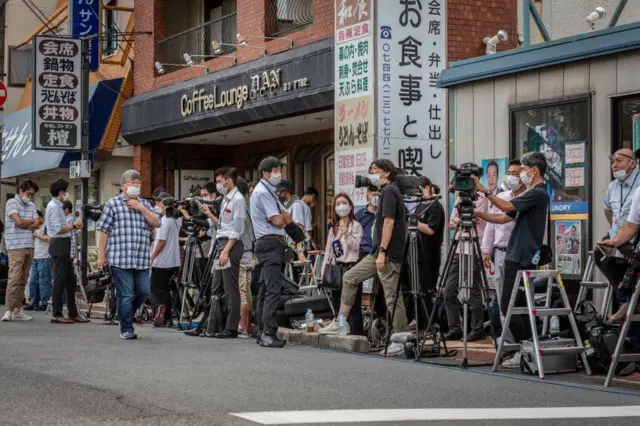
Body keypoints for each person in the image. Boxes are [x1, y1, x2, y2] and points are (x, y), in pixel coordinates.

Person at [320, 159, 408, 356]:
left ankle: (401, 338)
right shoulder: (387, 192)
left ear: (386, 172)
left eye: (375, 170)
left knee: (392, 295)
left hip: (387, 254)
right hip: (377, 252)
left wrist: (383, 251)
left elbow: (389, 223)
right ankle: (340, 321)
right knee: (350, 278)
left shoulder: (391, 191)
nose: (371, 174)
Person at [473, 152, 550, 368]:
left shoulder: (538, 193)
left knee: (508, 304)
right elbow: (502, 217)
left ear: (534, 170)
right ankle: (527, 349)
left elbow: (506, 207)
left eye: (524, 169)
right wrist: (477, 214)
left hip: (521, 255)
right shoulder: (533, 195)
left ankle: (525, 348)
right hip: (516, 253)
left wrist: (485, 190)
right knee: (517, 304)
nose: (521, 174)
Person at [96, 170, 161, 339]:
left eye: (138, 184)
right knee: (126, 293)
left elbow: (157, 222)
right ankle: (126, 328)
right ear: (123, 185)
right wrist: (101, 256)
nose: (136, 186)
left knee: (144, 290)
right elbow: (103, 231)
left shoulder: (145, 203)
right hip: (119, 257)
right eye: (132, 183)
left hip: (140, 258)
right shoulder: (113, 204)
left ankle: (123, 314)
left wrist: (141, 208)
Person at [477, 159, 526, 344]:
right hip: (499, 252)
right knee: (501, 296)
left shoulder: (528, 197)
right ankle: (506, 340)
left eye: (516, 173)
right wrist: (486, 250)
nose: (512, 177)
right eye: (510, 173)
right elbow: (490, 225)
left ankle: (518, 340)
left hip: (518, 255)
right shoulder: (503, 196)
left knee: (513, 299)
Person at [250, 156, 292, 348]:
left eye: (278, 170)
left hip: (270, 243)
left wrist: (280, 219)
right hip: (269, 243)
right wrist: (279, 219)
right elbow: (278, 221)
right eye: (274, 170)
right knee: (272, 290)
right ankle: (268, 332)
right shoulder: (262, 193)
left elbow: (287, 217)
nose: (278, 173)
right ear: (265, 173)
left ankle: (262, 330)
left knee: (266, 288)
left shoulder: (271, 192)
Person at [443, 179, 488, 342]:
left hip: (475, 247)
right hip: (459, 247)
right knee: (448, 290)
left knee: (474, 289)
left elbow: (478, 220)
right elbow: (451, 222)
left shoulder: (484, 197)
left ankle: (477, 329)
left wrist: (461, 221)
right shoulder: (460, 198)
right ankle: (454, 327)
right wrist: (461, 221)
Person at [208, 167, 246, 338]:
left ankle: (231, 326)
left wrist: (225, 251)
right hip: (221, 244)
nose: (218, 185)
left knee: (230, 286)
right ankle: (215, 322)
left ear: (228, 180)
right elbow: (223, 226)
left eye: (219, 181)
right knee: (217, 284)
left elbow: (237, 230)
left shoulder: (238, 199)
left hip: (230, 246)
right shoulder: (225, 199)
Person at [595, 149, 640, 290]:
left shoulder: (638, 185)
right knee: (601, 253)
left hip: (635, 239)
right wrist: (615, 231)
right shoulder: (612, 186)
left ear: (632, 163)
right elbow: (607, 209)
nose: (614, 165)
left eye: (619, 161)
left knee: (629, 258)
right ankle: (626, 297)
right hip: (621, 234)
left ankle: (630, 297)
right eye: (612, 161)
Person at [320, 193, 363, 334]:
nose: (341, 206)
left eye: (344, 203)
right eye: (338, 204)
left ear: (350, 206)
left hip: (351, 268)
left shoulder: (356, 226)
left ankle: (356, 334)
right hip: (336, 269)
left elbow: (356, 246)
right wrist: (323, 270)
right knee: (337, 302)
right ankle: (341, 331)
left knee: (353, 305)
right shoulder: (333, 228)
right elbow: (328, 250)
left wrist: (345, 233)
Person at [46, 179, 88, 324]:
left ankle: (72, 312)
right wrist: (73, 225)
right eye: (65, 191)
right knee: (59, 279)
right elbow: (58, 229)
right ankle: (56, 313)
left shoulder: (58, 206)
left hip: (62, 243)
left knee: (70, 280)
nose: (66, 194)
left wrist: (72, 226)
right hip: (59, 243)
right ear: (61, 192)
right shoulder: (54, 207)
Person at [2, 180, 40, 322]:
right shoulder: (12, 203)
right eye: (28, 193)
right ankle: (8, 309)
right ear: (21, 191)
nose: (30, 196)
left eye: (32, 194)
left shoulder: (31, 205)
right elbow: (18, 222)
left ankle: (18, 309)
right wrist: (29, 222)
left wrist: (27, 222)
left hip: (29, 245)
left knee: (23, 279)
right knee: (14, 278)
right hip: (15, 246)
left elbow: (38, 222)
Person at [410, 177, 445, 327]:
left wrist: (413, 222)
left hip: (429, 254)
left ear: (426, 188)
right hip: (415, 252)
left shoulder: (435, 207)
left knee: (427, 289)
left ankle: (432, 323)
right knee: (417, 289)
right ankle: (420, 321)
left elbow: (430, 229)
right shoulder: (419, 206)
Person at [150, 196, 181, 327]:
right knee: (167, 289)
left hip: (162, 261)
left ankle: (160, 308)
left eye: (160, 205)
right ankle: (168, 316)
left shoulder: (164, 221)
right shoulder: (176, 220)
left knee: (156, 288)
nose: (158, 207)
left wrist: (152, 256)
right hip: (173, 261)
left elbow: (161, 241)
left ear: (165, 207)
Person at [235, 177, 255, 336]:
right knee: (247, 291)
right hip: (251, 254)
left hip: (241, 254)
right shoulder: (250, 206)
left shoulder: (239, 206)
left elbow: (235, 232)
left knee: (241, 292)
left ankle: (243, 327)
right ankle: (247, 325)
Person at [25, 211, 51, 312]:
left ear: (41, 217)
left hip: (44, 256)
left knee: (43, 281)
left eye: (36, 217)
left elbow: (50, 238)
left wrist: (37, 236)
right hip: (34, 257)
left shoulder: (46, 226)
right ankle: (33, 302)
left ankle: (44, 303)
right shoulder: (34, 227)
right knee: (32, 281)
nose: (35, 220)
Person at [276, 180, 307, 262]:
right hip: (288, 244)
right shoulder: (287, 204)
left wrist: (294, 244)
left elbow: (300, 226)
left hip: (295, 247)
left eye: (280, 191)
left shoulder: (296, 205)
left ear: (286, 191)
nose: (278, 193)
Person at [355, 188, 377, 259]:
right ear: (367, 195)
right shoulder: (359, 214)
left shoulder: (385, 213)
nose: (376, 197)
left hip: (380, 254)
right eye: (373, 195)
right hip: (363, 253)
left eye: (378, 195)